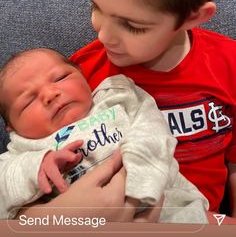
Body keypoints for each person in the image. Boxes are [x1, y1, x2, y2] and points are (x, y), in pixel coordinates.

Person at [66, 0, 236, 219]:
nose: (103, 35)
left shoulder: (229, 65)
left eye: (132, 26)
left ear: (192, 17)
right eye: (95, 5)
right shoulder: (77, 77)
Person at [0, 48, 208, 223]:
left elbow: (152, 126)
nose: (50, 94)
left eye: (61, 78)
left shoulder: (116, 96)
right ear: (11, 128)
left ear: (83, 76)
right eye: (28, 101)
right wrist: (36, 165)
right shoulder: (23, 149)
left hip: (169, 204)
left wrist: (138, 164)